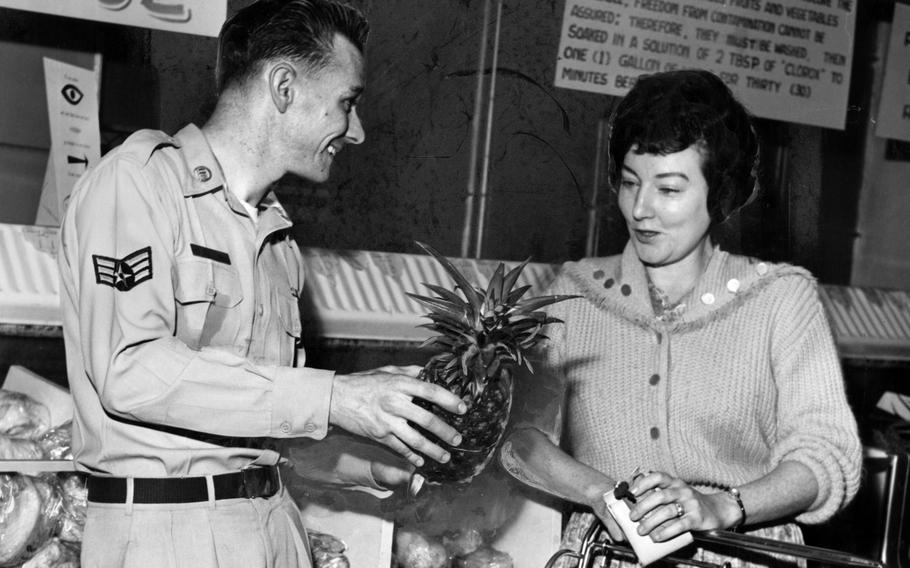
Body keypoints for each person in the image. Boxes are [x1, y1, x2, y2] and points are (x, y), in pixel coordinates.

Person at [57, 1, 466, 566]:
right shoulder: (138, 183)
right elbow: (130, 370)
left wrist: (372, 457)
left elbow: (266, 429)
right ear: (283, 87)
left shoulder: (277, 242)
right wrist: (337, 396)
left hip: (276, 528)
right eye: (348, 103)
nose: (358, 132)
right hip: (165, 536)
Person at [499, 69, 862, 568]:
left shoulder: (781, 299)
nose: (641, 209)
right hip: (606, 553)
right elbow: (520, 438)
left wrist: (721, 505)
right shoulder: (574, 295)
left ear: (719, 192)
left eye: (668, 189)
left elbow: (825, 458)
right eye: (629, 183)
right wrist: (605, 493)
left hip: (743, 552)